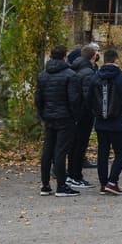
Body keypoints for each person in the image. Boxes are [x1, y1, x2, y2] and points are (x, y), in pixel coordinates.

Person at [35, 44, 81, 197]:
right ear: (64, 56)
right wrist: (75, 117)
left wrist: (43, 114)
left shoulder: (43, 75)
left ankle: (45, 184)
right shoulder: (70, 75)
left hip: (49, 117)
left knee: (47, 151)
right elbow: (74, 100)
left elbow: (38, 99)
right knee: (60, 152)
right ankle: (61, 185)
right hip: (65, 118)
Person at [90, 49, 122, 195]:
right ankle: (112, 181)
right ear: (116, 60)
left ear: (104, 60)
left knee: (102, 153)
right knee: (121, 152)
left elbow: (89, 99)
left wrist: (96, 114)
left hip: (101, 122)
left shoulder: (95, 77)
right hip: (118, 122)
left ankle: (103, 183)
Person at [66, 45, 99, 189]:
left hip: (76, 116)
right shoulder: (88, 73)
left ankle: (72, 175)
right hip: (83, 116)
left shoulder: (76, 68)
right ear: (93, 56)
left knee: (75, 147)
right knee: (79, 146)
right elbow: (88, 97)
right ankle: (76, 176)